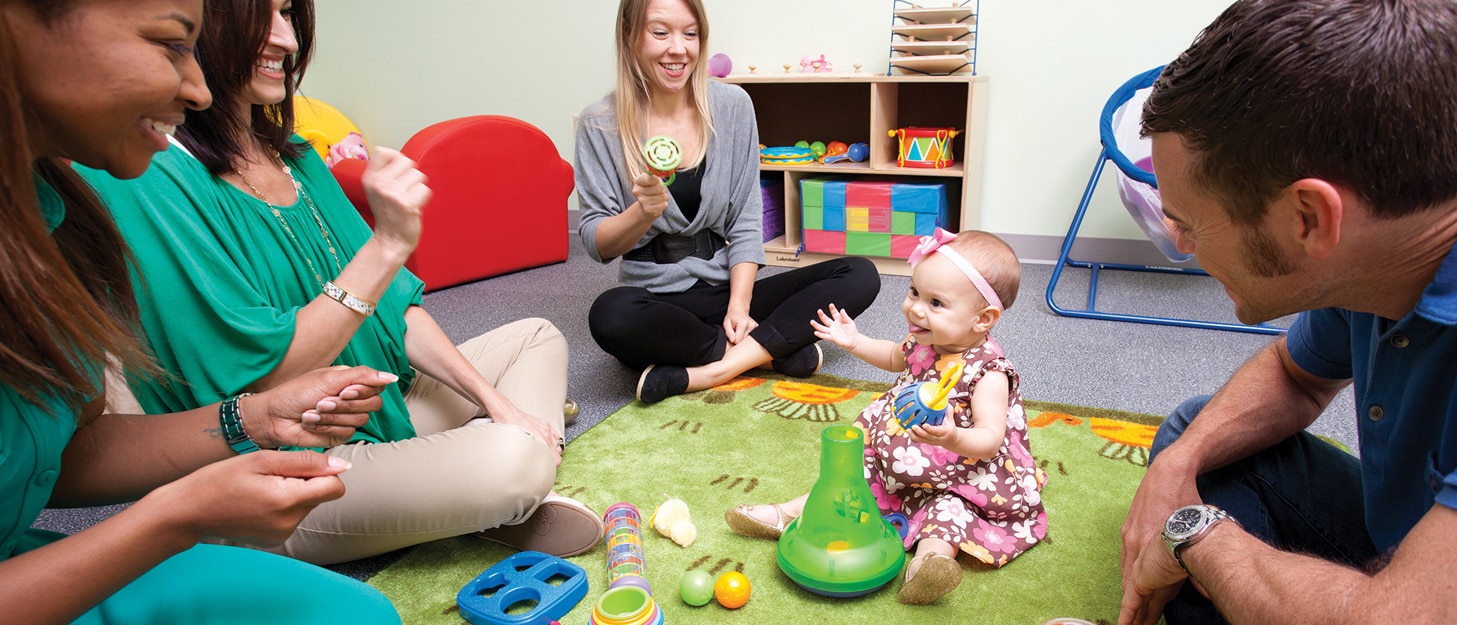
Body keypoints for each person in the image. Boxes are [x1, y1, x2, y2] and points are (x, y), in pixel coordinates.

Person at [1117, 1, 1457, 624]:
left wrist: (1196, 538)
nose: (1180, 245)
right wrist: (1178, 471)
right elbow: (1298, 373)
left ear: (1309, 220)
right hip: (1419, 541)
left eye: (1187, 223)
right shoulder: (1403, 215)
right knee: (1197, 437)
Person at [78, 0, 602, 566]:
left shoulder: (296, 157)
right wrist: (387, 245)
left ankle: (471, 490)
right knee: (512, 461)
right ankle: (492, 484)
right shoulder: (152, 176)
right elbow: (265, 383)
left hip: (378, 408)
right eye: (263, 17)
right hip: (278, 465)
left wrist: (499, 405)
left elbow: (395, 306)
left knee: (537, 336)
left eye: (288, 14)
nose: (286, 39)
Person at [0, 0, 401, 622]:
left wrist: (255, 418)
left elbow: (60, 456)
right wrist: (175, 515)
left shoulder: (57, 213)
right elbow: (252, 355)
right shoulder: (153, 186)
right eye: (169, 43)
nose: (196, 90)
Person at [576, 0, 881, 403]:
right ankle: (769, 352)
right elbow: (597, 243)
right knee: (610, 316)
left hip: (729, 288)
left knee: (859, 273)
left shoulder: (733, 105)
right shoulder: (599, 123)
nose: (678, 49)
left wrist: (738, 307)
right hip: (657, 301)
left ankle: (711, 369)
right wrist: (642, 212)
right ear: (630, 37)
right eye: (660, 32)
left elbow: (745, 220)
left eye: (691, 33)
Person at [725, 229, 1047, 605]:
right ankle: (789, 515)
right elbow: (896, 356)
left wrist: (952, 437)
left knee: (948, 514)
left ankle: (928, 565)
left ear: (983, 319)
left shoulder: (989, 373)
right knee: (853, 479)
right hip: (899, 461)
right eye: (914, 292)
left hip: (959, 476)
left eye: (936, 302)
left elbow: (990, 438)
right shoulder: (927, 340)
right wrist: (855, 341)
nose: (915, 308)